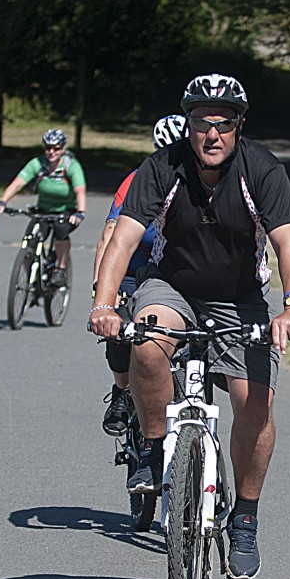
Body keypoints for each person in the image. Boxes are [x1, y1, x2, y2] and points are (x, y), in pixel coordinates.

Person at [88, 74, 290, 579]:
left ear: (239, 126)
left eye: (223, 124)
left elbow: (288, 242)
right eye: (201, 123)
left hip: (241, 298)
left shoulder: (263, 170)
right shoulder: (161, 168)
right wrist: (104, 304)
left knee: (255, 402)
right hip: (173, 287)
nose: (212, 135)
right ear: (187, 125)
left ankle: (245, 516)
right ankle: (153, 444)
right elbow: (122, 241)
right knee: (146, 339)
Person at [94, 113, 188, 435]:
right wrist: (103, 290)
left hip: (175, 273)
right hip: (134, 269)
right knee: (121, 329)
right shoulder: (139, 179)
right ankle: (122, 391)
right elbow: (110, 234)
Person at [0, 128, 86, 278]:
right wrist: (3, 201)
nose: (51, 152)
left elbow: (80, 191)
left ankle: (61, 269)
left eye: (56, 149)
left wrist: (80, 211)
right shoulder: (38, 163)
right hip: (43, 209)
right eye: (48, 148)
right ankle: (32, 278)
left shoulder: (71, 166)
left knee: (61, 230)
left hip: (66, 210)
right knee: (31, 238)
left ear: (63, 149)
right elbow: (18, 183)